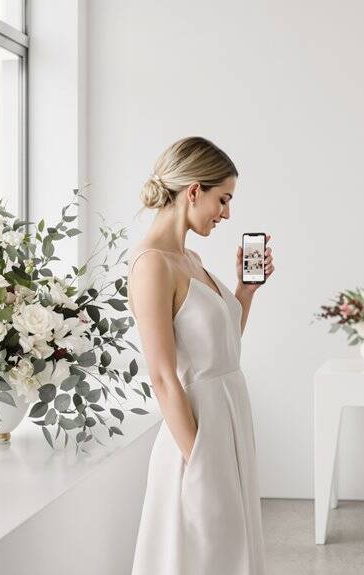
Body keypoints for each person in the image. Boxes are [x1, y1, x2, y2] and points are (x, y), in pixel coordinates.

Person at [127, 136, 275, 575]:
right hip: (196, 434)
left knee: (230, 550)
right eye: (222, 199)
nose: (227, 214)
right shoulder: (152, 264)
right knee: (202, 552)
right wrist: (200, 456)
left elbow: (222, 348)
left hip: (228, 421)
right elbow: (162, 376)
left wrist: (244, 291)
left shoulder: (188, 257)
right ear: (194, 190)